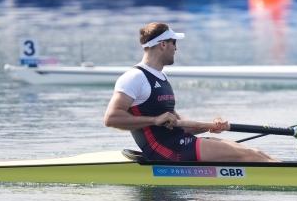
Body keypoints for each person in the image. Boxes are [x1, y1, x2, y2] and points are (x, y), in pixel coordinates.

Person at [104, 22, 278, 162]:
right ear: (163, 45)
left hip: (179, 142)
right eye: (174, 43)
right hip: (166, 151)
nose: (176, 49)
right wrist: (154, 120)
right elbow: (111, 118)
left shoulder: (161, 77)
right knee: (250, 157)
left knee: (256, 153)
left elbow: (179, 125)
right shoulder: (134, 77)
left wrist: (210, 126)